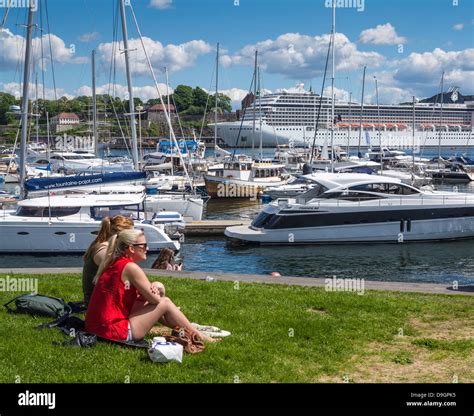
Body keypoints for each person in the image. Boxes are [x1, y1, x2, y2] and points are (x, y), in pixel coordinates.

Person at [85, 229, 213, 343]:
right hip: (113, 331)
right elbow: (156, 300)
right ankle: (198, 335)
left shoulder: (115, 263)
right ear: (131, 248)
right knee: (165, 302)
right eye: (144, 245)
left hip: (97, 327)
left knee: (158, 287)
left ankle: (184, 329)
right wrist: (158, 290)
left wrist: (156, 288)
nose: (147, 249)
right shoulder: (130, 267)